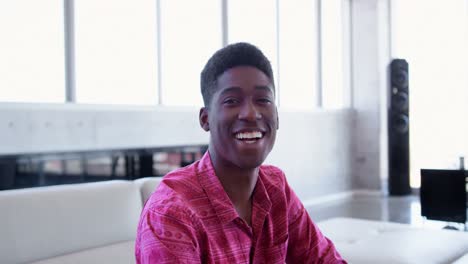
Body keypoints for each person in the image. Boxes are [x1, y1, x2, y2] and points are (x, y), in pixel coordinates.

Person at [135, 42, 346, 263]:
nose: (251, 114)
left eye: (263, 100)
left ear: (276, 115)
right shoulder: (171, 213)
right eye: (232, 101)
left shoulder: (276, 188)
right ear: (205, 119)